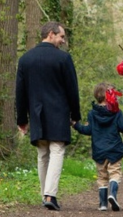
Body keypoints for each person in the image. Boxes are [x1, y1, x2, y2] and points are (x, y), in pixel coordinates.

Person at [15, 21, 81, 211]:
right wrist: (75, 115)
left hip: (36, 113)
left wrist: (22, 119)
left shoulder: (25, 59)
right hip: (59, 113)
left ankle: (46, 193)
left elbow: (20, 93)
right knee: (57, 150)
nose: (63, 40)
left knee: (42, 153)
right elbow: (72, 90)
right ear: (51, 34)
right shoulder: (63, 59)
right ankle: (50, 195)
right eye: (61, 36)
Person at [72, 82, 123, 212]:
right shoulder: (117, 112)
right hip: (114, 150)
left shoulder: (92, 113)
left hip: (99, 151)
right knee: (115, 174)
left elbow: (87, 130)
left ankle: (102, 204)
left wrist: (75, 125)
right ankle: (112, 195)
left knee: (102, 177)